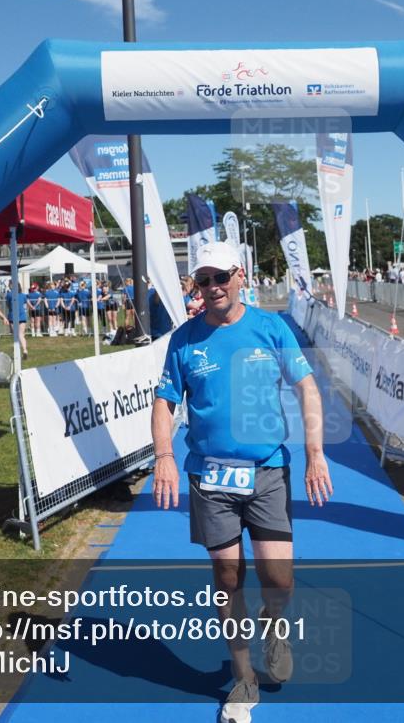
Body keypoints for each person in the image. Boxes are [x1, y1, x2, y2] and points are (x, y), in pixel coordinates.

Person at [151, 242, 332, 723]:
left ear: (239, 275)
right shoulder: (184, 340)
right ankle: (243, 674)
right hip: (210, 478)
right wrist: (164, 456)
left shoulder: (271, 328)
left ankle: (275, 628)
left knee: (279, 579)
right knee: (227, 577)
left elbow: (307, 389)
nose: (210, 288)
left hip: (269, 471)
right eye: (201, 280)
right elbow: (165, 402)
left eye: (219, 278)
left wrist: (315, 454)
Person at [4, 280, 29, 359]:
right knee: (21, 335)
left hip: (13, 316)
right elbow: (25, 303)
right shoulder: (23, 295)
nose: (9, 286)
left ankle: (17, 351)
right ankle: (24, 350)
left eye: (9, 284)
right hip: (22, 316)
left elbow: (8, 304)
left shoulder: (9, 295)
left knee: (16, 335)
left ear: (12, 285)